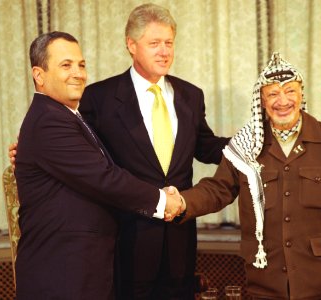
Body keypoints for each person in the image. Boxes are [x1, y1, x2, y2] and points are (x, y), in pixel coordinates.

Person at [178, 53, 321, 299]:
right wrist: (181, 202)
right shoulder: (246, 145)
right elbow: (217, 189)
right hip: (267, 285)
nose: (282, 101)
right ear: (262, 100)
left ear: (301, 94)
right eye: (273, 93)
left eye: (290, 91)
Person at [14, 31, 183, 300]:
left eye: (81, 65)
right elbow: (103, 178)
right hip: (62, 275)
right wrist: (162, 201)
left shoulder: (68, 117)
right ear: (39, 75)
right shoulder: (49, 121)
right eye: (66, 65)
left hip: (82, 270)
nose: (78, 73)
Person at [78, 3, 229, 299]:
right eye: (155, 43)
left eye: (169, 43)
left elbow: (205, 146)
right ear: (131, 45)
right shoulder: (99, 97)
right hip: (126, 240)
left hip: (179, 240)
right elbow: (80, 157)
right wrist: (33, 149)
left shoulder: (190, 95)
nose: (164, 52)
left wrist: (252, 143)